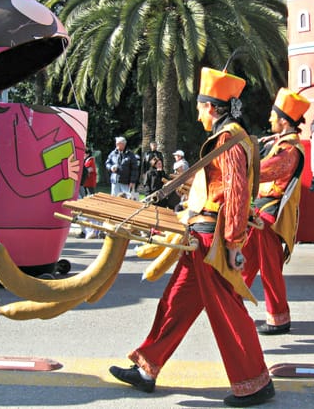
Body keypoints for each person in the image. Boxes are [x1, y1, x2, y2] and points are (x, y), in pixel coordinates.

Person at [109, 65, 275, 407]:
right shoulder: (228, 137)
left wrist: (232, 243)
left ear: (212, 107)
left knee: (227, 310)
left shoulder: (229, 138)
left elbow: (237, 191)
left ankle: (254, 382)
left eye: (200, 106)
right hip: (202, 233)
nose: (198, 112)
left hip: (210, 239)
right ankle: (147, 368)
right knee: (176, 302)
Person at [242, 88, 309, 335]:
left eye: (273, 115)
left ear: (283, 121)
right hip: (261, 214)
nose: (269, 119)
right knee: (246, 263)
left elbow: (268, 171)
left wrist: (238, 167)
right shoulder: (281, 143)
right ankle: (231, 301)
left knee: (269, 269)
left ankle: (279, 319)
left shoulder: (290, 149)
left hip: (269, 216)